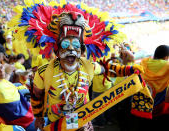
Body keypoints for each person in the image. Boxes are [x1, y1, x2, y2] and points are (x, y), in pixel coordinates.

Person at [8, 2, 144, 130]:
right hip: (56, 122)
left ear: (81, 50)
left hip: (83, 120)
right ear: (57, 50)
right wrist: (38, 117)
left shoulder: (88, 66)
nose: (71, 49)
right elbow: (36, 96)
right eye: (66, 45)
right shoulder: (44, 72)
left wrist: (131, 69)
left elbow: (109, 69)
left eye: (76, 46)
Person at [0, 58, 36, 131]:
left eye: (1, 67)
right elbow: (19, 111)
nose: (1, 71)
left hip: (11, 113)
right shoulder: (0, 91)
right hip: (22, 121)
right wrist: (30, 104)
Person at [132, 45, 169, 130]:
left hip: (142, 101)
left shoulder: (144, 62)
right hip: (158, 102)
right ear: (166, 57)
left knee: (142, 122)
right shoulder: (167, 65)